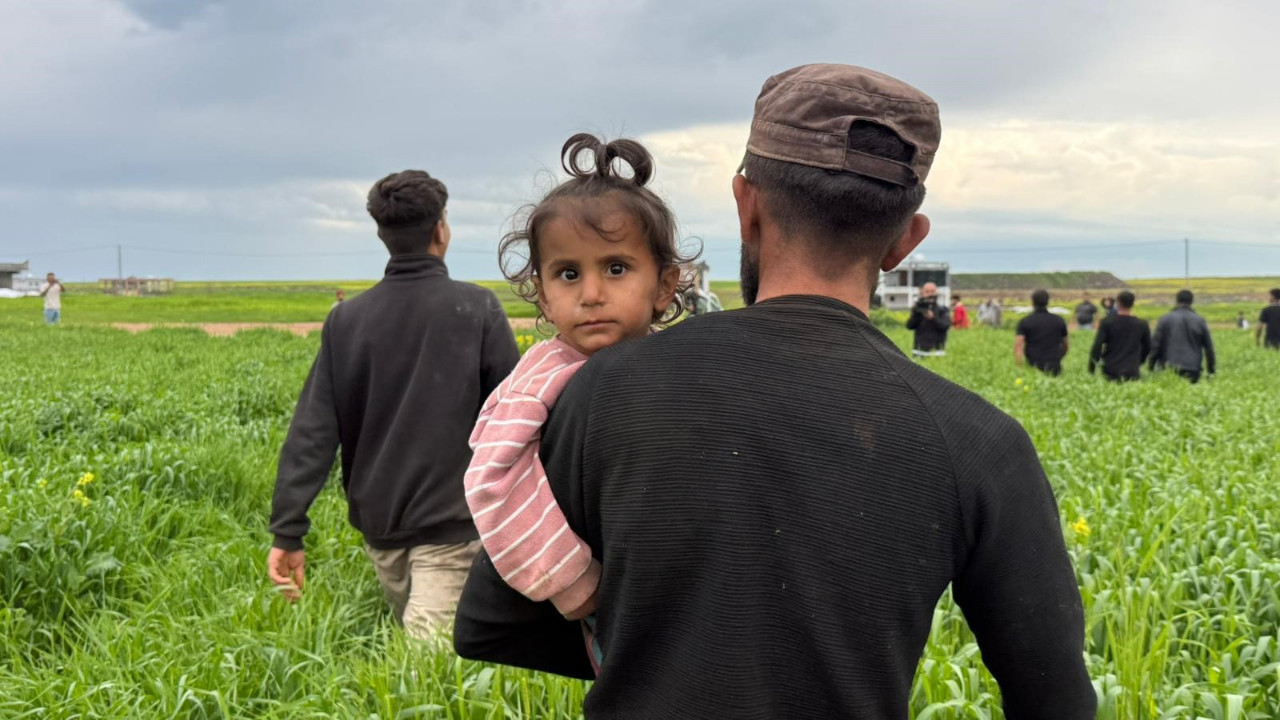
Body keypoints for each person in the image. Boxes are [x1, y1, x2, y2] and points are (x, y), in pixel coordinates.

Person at [455, 63, 1095, 719]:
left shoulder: (598, 390)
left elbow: (488, 623)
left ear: (746, 205)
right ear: (906, 240)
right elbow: (1056, 699)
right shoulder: (978, 441)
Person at [268, 170, 520, 638]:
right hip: (454, 520)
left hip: (388, 530)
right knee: (428, 675)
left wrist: (289, 530)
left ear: (383, 236)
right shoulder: (477, 308)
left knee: (424, 669)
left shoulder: (347, 319)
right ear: (440, 230)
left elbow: (313, 432)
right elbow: (517, 420)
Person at [465, 134, 684, 633]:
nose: (591, 294)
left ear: (664, 284)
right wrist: (572, 580)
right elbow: (491, 482)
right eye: (567, 274)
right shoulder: (543, 377)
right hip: (602, 600)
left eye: (615, 268)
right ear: (542, 295)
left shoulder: (671, 361)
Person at [1149, 289, 1215, 383]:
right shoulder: (1199, 321)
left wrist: (1151, 367)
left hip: (1168, 367)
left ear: (1176, 301)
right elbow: (1209, 348)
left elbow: (1155, 345)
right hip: (1192, 367)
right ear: (1191, 302)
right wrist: (1211, 371)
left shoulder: (1165, 319)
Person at [1088, 290, 1151, 381]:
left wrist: (1092, 368)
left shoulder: (1107, 322)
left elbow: (1097, 345)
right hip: (1132, 370)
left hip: (1110, 369)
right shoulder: (1142, 324)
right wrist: (1140, 361)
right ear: (1133, 304)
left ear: (1117, 303)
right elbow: (1148, 347)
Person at [1015, 289, 1069, 375]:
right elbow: (1065, 345)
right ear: (1048, 302)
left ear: (1033, 302)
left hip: (1033, 366)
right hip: (1054, 366)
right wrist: (1058, 358)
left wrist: (1019, 368)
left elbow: (1018, 346)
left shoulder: (1025, 322)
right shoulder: (1059, 320)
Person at [906, 281, 951, 356]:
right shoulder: (918, 309)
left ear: (936, 293)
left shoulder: (943, 309)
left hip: (937, 351)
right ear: (922, 293)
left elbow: (945, 326)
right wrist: (917, 313)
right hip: (919, 350)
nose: (930, 294)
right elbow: (909, 326)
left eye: (932, 291)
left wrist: (933, 318)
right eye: (927, 291)